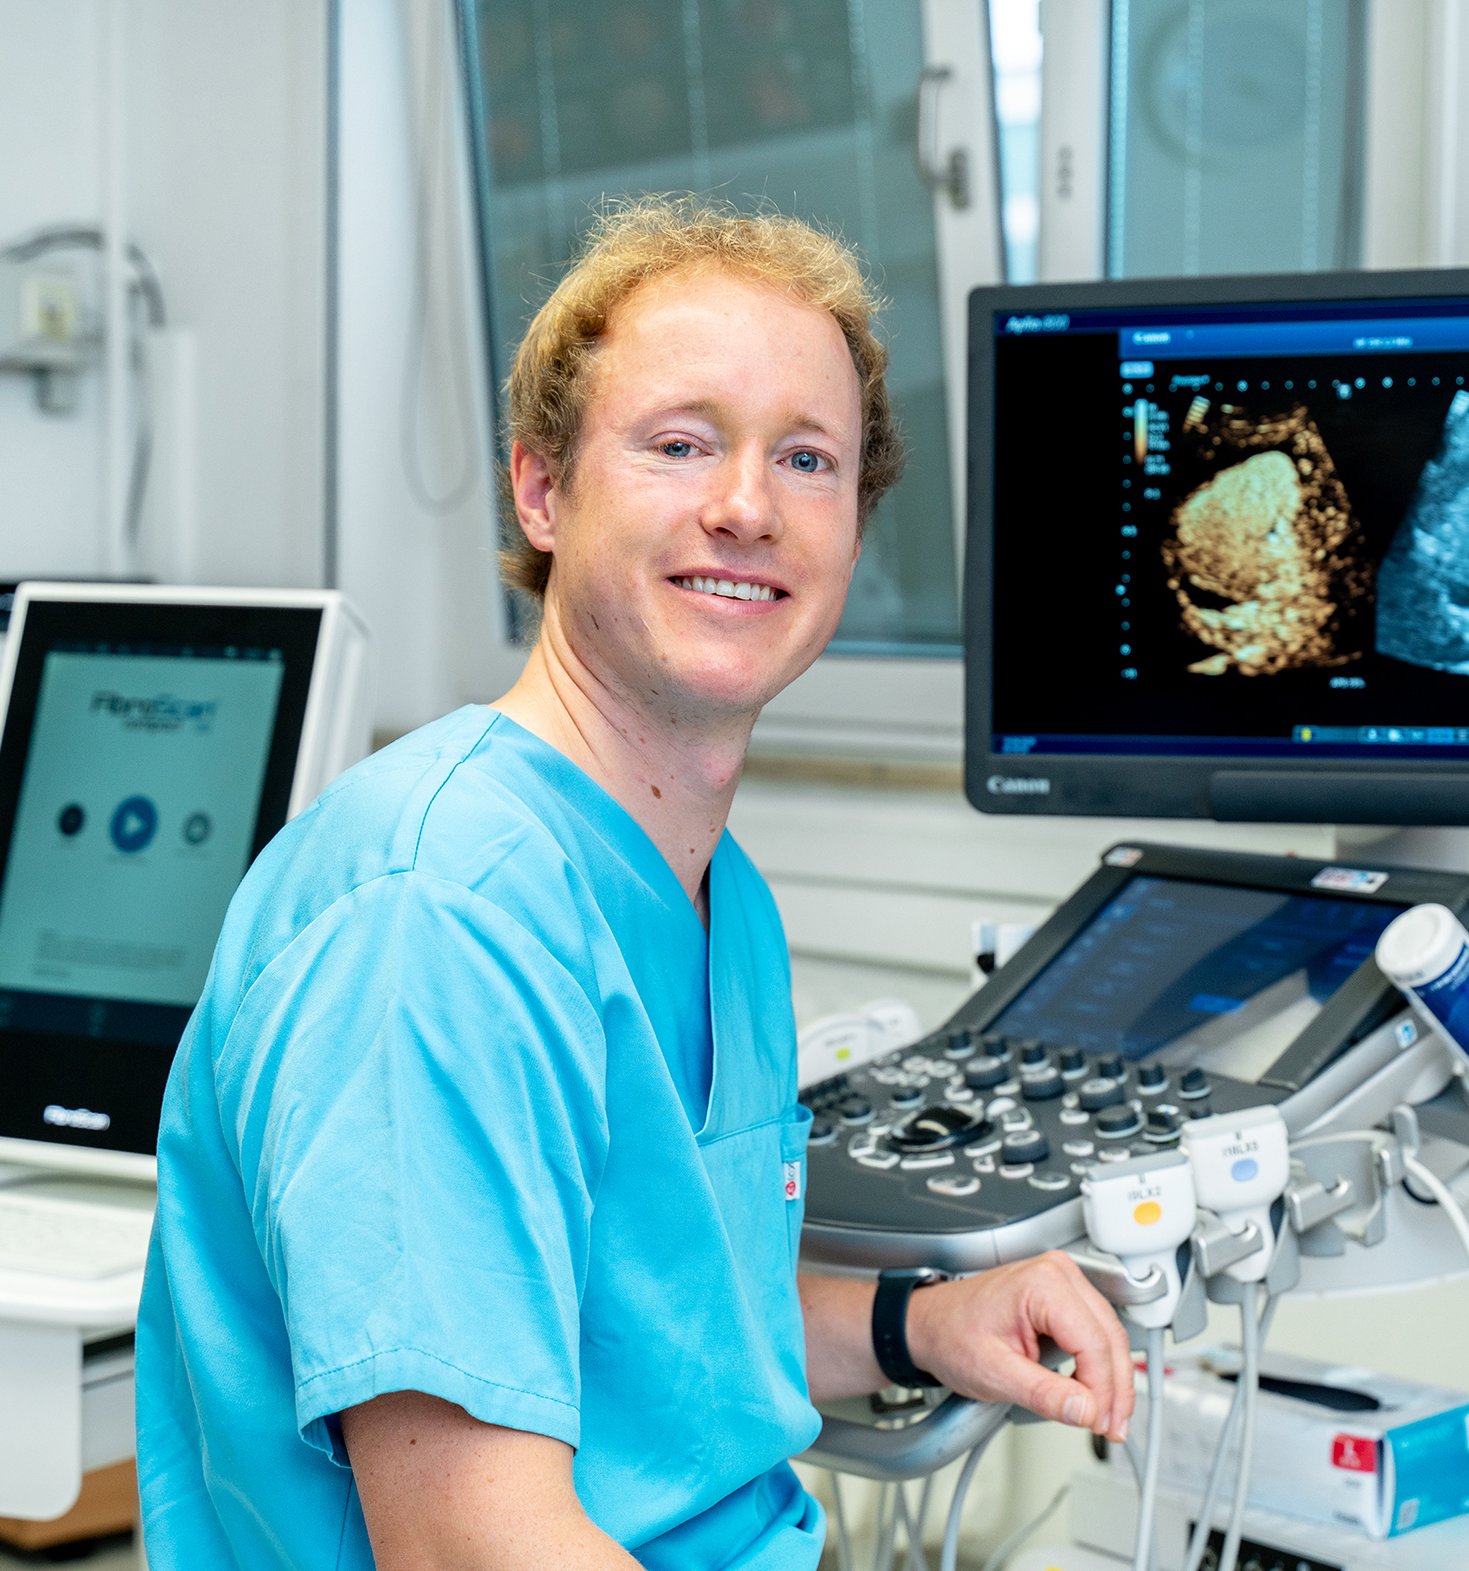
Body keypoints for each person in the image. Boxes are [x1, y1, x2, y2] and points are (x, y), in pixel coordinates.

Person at [136, 197, 1136, 1571]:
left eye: (807, 459)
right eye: (679, 444)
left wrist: (917, 1321)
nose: (747, 507)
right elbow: (470, 1550)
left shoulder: (717, 897)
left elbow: (660, 1342)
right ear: (541, 490)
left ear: (853, 533)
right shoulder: (440, 918)